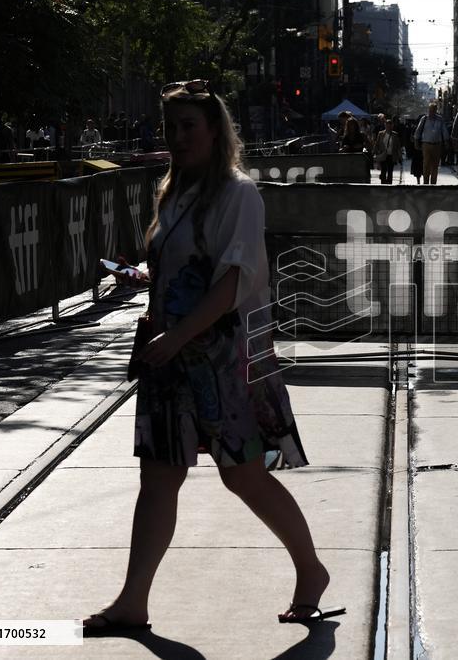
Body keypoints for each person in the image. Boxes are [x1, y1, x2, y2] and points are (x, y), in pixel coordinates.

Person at [82, 78, 342, 636]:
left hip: (226, 356)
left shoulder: (238, 192)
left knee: (243, 477)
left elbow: (232, 281)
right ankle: (133, 601)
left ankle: (310, 570)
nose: (177, 137)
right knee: (159, 476)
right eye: (170, 127)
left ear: (215, 130)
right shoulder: (172, 191)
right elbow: (184, 268)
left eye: (188, 127)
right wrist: (146, 279)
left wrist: (177, 337)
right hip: (169, 353)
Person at [414, 102, 449, 185]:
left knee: (435, 165)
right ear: (428, 110)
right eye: (430, 110)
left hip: (437, 145)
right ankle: (425, 183)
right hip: (426, 144)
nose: (432, 112)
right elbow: (418, 131)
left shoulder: (440, 119)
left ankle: (433, 183)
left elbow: (444, 131)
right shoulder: (424, 119)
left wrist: (446, 141)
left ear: (436, 110)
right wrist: (416, 141)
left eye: (433, 110)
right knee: (426, 164)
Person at [373, 116, 402, 185]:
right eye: (387, 125)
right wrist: (375, 152)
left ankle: (389, 185)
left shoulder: (395, 134)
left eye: (390, 125)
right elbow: (377, 144)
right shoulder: (381, 134)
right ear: (385, 125)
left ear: (392, 126)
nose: (388, 127)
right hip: (383, 154)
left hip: (391, 155)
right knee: (383, 170)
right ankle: (383, 184)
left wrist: (399, 156)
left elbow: (398, 146)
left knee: (390, 171)